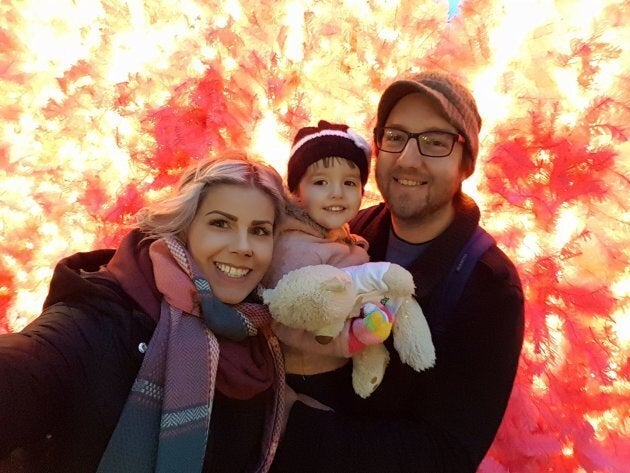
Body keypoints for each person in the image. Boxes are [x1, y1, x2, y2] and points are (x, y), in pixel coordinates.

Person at [270, 71, 525, 472]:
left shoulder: (488, 287)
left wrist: (286, 426)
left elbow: (447, 453)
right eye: (395, 136)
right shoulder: (353, 232)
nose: (408, 158)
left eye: (435, 142)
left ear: (466, 163)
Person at [0, 153, 290, 473]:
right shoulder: (98, 320)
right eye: (221, 223)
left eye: (259, 230)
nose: (243, 246)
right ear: (184, 227)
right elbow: (30, 363)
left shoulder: (262, 334)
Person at [262, 120, 397, 379]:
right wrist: (350, 339)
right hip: (308, 372)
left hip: (336, 361)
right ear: (296, 191)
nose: (337, 193)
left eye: (349, 183)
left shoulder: (330, 231)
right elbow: (287, 321)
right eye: (321, 182)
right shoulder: (295, 250)